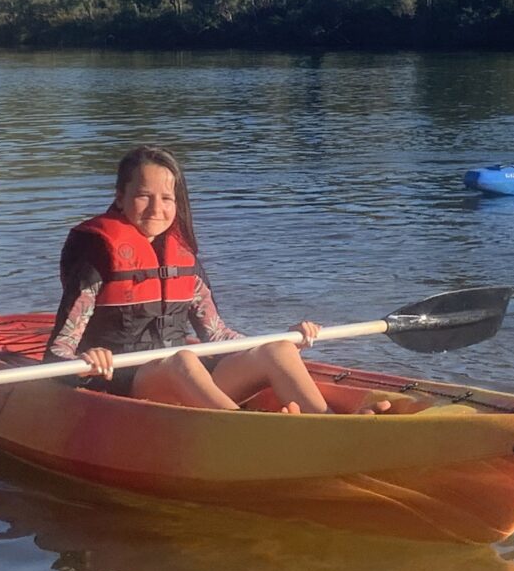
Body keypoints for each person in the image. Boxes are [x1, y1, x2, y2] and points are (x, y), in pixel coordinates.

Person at [48, 146, 381, 414]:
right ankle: (248, 429)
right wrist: (87, 361)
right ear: (120, 197)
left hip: (186, 377)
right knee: (183, 359)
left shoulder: (183, 259)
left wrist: (286, 338)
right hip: (127, 382)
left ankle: (328, 421)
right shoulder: (97, 258)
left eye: (166, 198)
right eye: (143, 196)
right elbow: (59, 351)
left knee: (276, 350)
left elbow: (218, 334)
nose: (156, 208)